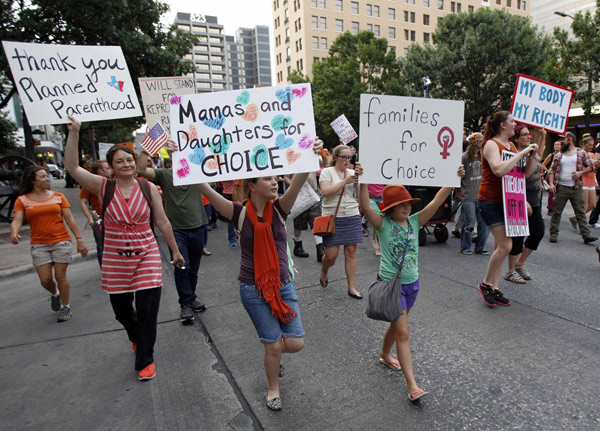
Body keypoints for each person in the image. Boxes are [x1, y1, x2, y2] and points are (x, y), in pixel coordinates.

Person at [192, 140, 322, 411]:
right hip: (252, 289)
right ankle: (272, 387)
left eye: (275, 178)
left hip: (282, 284)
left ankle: (271, 350)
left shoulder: (280, 208)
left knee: (294, 343)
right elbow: (202, 185)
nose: (275, 183)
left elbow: (298, 180)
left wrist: (310, 151)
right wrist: (186, 158)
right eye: (267, 179)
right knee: (274, 345)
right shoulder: (237, 212)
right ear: (251, 186)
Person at [64, 116, 184, 381]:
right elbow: (72, 167)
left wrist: (175, 250)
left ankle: (145, 360)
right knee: (121, 309)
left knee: (147, 310)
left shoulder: (148, 186)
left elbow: (162, 221)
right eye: (120, 161)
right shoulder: (102, 186)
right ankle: (135, 336)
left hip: (147, 254)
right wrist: (74, 133)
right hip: (115, 257)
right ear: (111, 167)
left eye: (129, 160)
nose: (127, 164)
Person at [359, 164, 464, 402]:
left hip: (412, 285)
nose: (406, 207)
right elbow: (365, 206)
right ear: (390, 208)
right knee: (404, 333)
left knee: (397, 325)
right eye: (400, 204)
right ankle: (412, 384)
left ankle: (385, 354)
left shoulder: (415, 221)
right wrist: (363, 180)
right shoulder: (383, 224)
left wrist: (451, 177)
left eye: (408, 203)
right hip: (391, 285)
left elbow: (436, 202)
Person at [136, 143, 209, 324]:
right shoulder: (165, 175)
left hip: (199, 227)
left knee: (193, 269)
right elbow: (141, 169)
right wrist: (147, 148)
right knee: (182, 267)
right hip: (176, 230)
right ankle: (185, 304)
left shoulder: (197, 174)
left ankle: (191, 298)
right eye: (175, 156)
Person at [476, 111, 538, 307]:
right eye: (512, 122)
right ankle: (486, 284)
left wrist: (529, 157)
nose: (515, 125)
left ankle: (494, 286)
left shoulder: (511, 145)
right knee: (506, 246)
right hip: (489, 201)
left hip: (507, 200)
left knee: (499, 247)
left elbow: (522, 175)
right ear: (503, 125)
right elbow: (499, 170)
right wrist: (521, 152)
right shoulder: (491, 145)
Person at [10, 166, 88, 322]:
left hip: (61, 241)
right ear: (33, 180)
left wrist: (79, 240)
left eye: (47, 176)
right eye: (43, 176)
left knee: (60, 276)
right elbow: (17, 220)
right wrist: (14, 232)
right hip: (39, 244)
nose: (47, 179)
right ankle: (55, 294)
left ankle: (65, 307)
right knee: (45, 279)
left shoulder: (58, 196)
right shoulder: (22, 200)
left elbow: (70, 219)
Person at [318, 144, 363, 299]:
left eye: (349, 157)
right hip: (332, 217)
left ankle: (351, 287)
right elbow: (325, 192)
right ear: (336, 157)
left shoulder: (353, 173)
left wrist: (362, 180)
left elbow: (360, 193)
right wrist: (345, 181)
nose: (346, 160)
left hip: (351, 214)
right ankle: (325, 270)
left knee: (351, 252)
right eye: (343, 157)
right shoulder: (327, 172)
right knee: (331, 256)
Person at [504, 126, 547, 283]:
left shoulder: (532, 153)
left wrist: (543, 136)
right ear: (516, 138)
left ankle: (519, 263)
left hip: (535, 201)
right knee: (517, 236)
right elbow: (512, 181)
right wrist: (523, 200)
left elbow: (539, 156)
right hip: (519, 200)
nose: (529, 137)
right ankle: (510, 270)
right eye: (524, 135)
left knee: (538, 232)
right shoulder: (514, 156)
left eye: (530, 134)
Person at [548, 132, 598, 244]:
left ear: (570, 139)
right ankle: (554, 233)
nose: (562, 142)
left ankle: (586, 235)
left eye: (563, 139)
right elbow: (551, 170)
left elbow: (591, 166)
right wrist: (551, 184)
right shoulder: (559, 155)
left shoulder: (581, 153)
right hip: (561, 187)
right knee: (557, 212)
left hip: (576, 187)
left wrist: (581, 172)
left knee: (580, 211)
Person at [459, 133, 489, 255]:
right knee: (469, 223)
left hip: (481, 196)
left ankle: (480, 247)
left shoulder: (484, 156)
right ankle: (465, 247)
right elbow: (459, 174)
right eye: (482, 141)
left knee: (484, 224)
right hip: (468, 195)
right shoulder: (465, 157)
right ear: (475, 142)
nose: (484, 143)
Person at [80, 160, 113, 266]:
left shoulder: (115, 181)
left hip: (115, 219)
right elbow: (83, 202)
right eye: (107, 168)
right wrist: (89, 218)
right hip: (100, 219)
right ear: (100, 171)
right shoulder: (90, 184)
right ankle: (105, 272)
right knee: (101, 247)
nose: (110, 170)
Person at [290, 172, 326, 262]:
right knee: (299, 222)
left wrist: (322, 157)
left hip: (314, 193)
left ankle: (320, 248)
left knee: (316, 220)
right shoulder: (295, 161)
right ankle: (298, 245)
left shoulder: (313, 159)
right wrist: (294, 185)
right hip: (300, 193)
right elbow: (287, 178)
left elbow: (324, 163)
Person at [542, 138, 562, 215]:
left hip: (559, 176)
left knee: (558, 193)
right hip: (551, 176)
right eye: (555, 145)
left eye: (558, 145)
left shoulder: (563, 155)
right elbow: (543, 165)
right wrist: (548, 171)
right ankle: (550, 208)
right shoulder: (551, 155)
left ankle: (555, 207)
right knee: (551, 193)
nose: (556, 146)